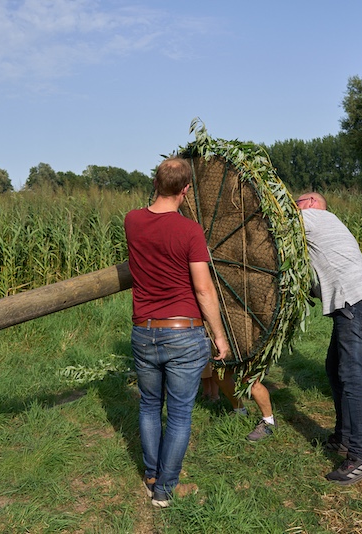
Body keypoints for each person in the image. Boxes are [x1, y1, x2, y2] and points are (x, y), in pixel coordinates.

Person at [124, 156, 230, 508]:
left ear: (155, 183)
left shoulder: (132, 221)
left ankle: (152, 476)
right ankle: (166, 490)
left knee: (149, 405)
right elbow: (203, 288)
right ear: (186, 190)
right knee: (180, 414)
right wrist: (219, 335)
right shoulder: (190, 231)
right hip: (183, 333)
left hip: (143, 331)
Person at [297, 192, 362, 485]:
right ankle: (344, 437)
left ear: (311, 202)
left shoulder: (312, 216)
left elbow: (276, 222)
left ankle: (361, 457)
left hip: (353, 302)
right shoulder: (328, 222)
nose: (294, 205)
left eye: (297, 201)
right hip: (356, 301)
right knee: (334, 368)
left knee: (352, 378)